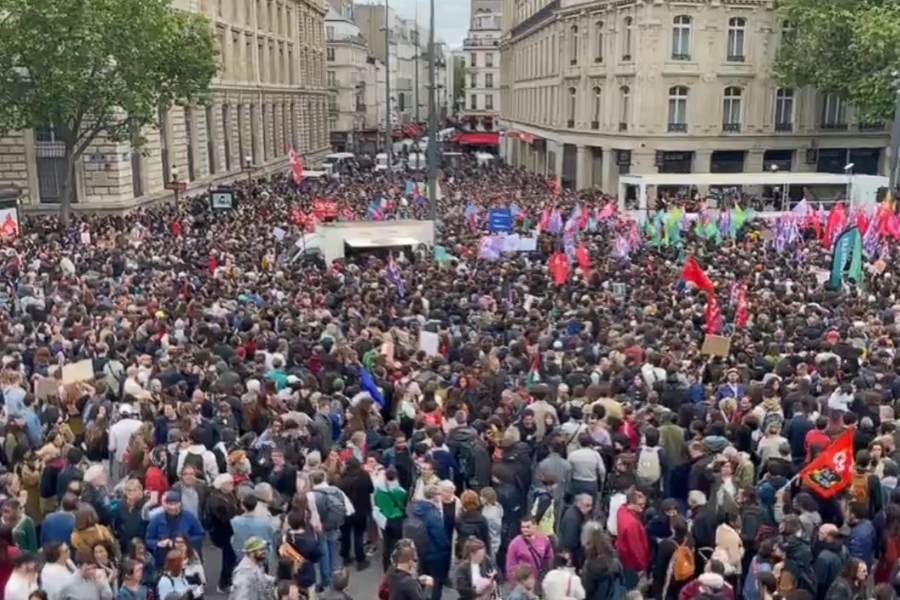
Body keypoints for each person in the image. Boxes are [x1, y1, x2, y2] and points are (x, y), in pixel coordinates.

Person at [145, 491, 204, 565]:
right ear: (165, 505)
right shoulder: (156, 519)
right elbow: (149, 539)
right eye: (170, 504)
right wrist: (158, 544)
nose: (172, 507)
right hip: (164, 560)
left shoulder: (190, 517)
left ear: (180, 504)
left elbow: (200, 535)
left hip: (186, 559)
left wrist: (185, 542)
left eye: (175, 504)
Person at [336, 458, 373, 571]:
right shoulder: (364, 476)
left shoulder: (342, 479)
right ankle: (360, 559)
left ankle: (345, 556)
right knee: (359, 535)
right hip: (361, 510)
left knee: (345, 534)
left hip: (346, 511)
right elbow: (371, 489)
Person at [206, 474, 240, 593]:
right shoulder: (217, 499)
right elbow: (224, 517)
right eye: (229, 483)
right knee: (229, 558)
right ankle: (223, 583)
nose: (233, 485)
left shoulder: (228, 495)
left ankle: (227, 581)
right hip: (222, 532)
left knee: (230, 558)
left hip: (228, 531)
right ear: (222, 485)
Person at [506, 517, 554, 588]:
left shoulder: (544, 539)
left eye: (528, 527)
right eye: (523, 527)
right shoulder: (515, 544)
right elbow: (510, 566)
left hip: (540, 580)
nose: (525, 530)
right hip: (523, 583)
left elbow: (549, 558)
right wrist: (515, 585)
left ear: (535, 526)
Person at [615, 490, 650, 589]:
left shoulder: (621, 510)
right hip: (632, 564)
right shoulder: (632, 524)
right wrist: (643, 567)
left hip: (623, 557)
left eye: (644, 504)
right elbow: (636, 549)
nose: (643, 507)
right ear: (632, 503)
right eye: (640, 504)